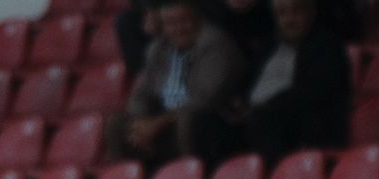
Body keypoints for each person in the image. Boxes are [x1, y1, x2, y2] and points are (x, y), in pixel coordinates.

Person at [105, 1, 246, 170]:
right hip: (166, 121)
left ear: (198, 20)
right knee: (117, 123)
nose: (178, 29)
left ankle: (193, 177)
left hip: (214, 121)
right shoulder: (158, 48)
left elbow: (206, 99)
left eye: (184, 21)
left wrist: (156, 123)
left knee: (190, 120)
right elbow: (141, 94)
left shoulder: (215, 44)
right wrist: (141, 123)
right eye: (171, 23)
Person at [237, 0, 351, 165]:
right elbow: (247, 82)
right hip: (256, 116)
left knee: (264, 120)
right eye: (282, 13)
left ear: (310, 14)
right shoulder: (268, 46)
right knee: (209, 124)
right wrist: (237, 101)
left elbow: (312, 91)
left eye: (296, 11)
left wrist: (266, 106)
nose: (289, 19)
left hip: (303, 122)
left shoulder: (326, 46)